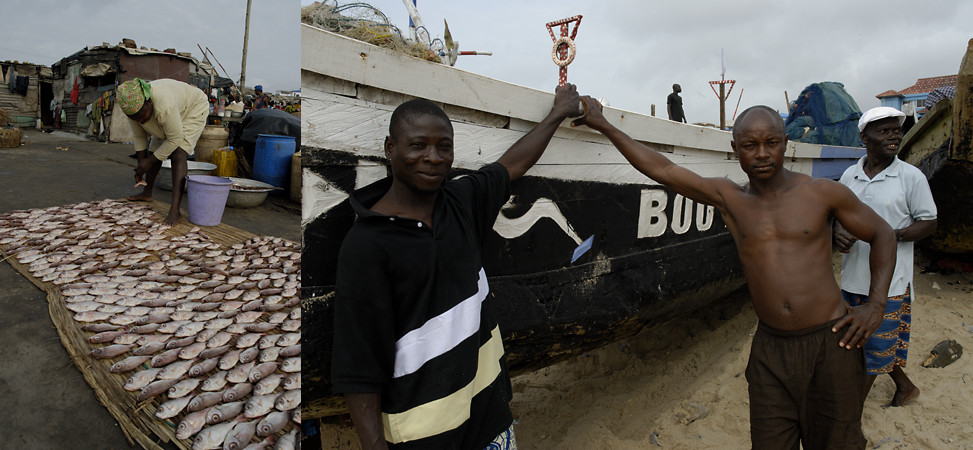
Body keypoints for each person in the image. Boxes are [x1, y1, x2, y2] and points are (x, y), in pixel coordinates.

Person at [573, 99, 896, 449]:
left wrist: (876, 305)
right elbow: (663, 170)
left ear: (785, 143)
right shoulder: (730, 198)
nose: (761, 154)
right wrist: (603, 124)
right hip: (771, 348)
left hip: (830, 342)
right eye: (749, 145)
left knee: (837, 443)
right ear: (734, 148)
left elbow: (883, 233)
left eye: (771, 143)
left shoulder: (821, 193)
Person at [331, 84, 582, 449]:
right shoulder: (366, 245)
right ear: (391, 148)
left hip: (490, 419)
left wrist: (558, 113)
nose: (433, 157)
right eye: (418, 145)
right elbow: (358, 366)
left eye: (443, 146)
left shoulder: (461, 201)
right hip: (425, 435)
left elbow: (511, 165)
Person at [833, 106, 937, 408]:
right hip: (853, 277)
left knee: (875, 347)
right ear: (865, 137)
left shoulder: (911, 177)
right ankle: (905, 388)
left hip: (890, 283)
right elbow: (835, 212)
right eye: (885, 131)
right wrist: (836, 231)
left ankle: (850, 416)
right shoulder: (849, 175)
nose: (894, 136)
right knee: (859, 339)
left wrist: (893, 236)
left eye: (897, 130)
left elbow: (929, 222)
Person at [117, 78, 209, 225]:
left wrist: (150, 160)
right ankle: (147, 193)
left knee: (178, 152)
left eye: (141, 116)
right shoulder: (133, 109)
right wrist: (141, 165)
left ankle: (175, 210)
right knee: (155, 149)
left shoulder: (163, 104)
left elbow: (175, 138)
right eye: (135, 119)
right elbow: (140, 136)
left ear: (148, 102)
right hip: (169, 111)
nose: (139, 120)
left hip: (193, 108)